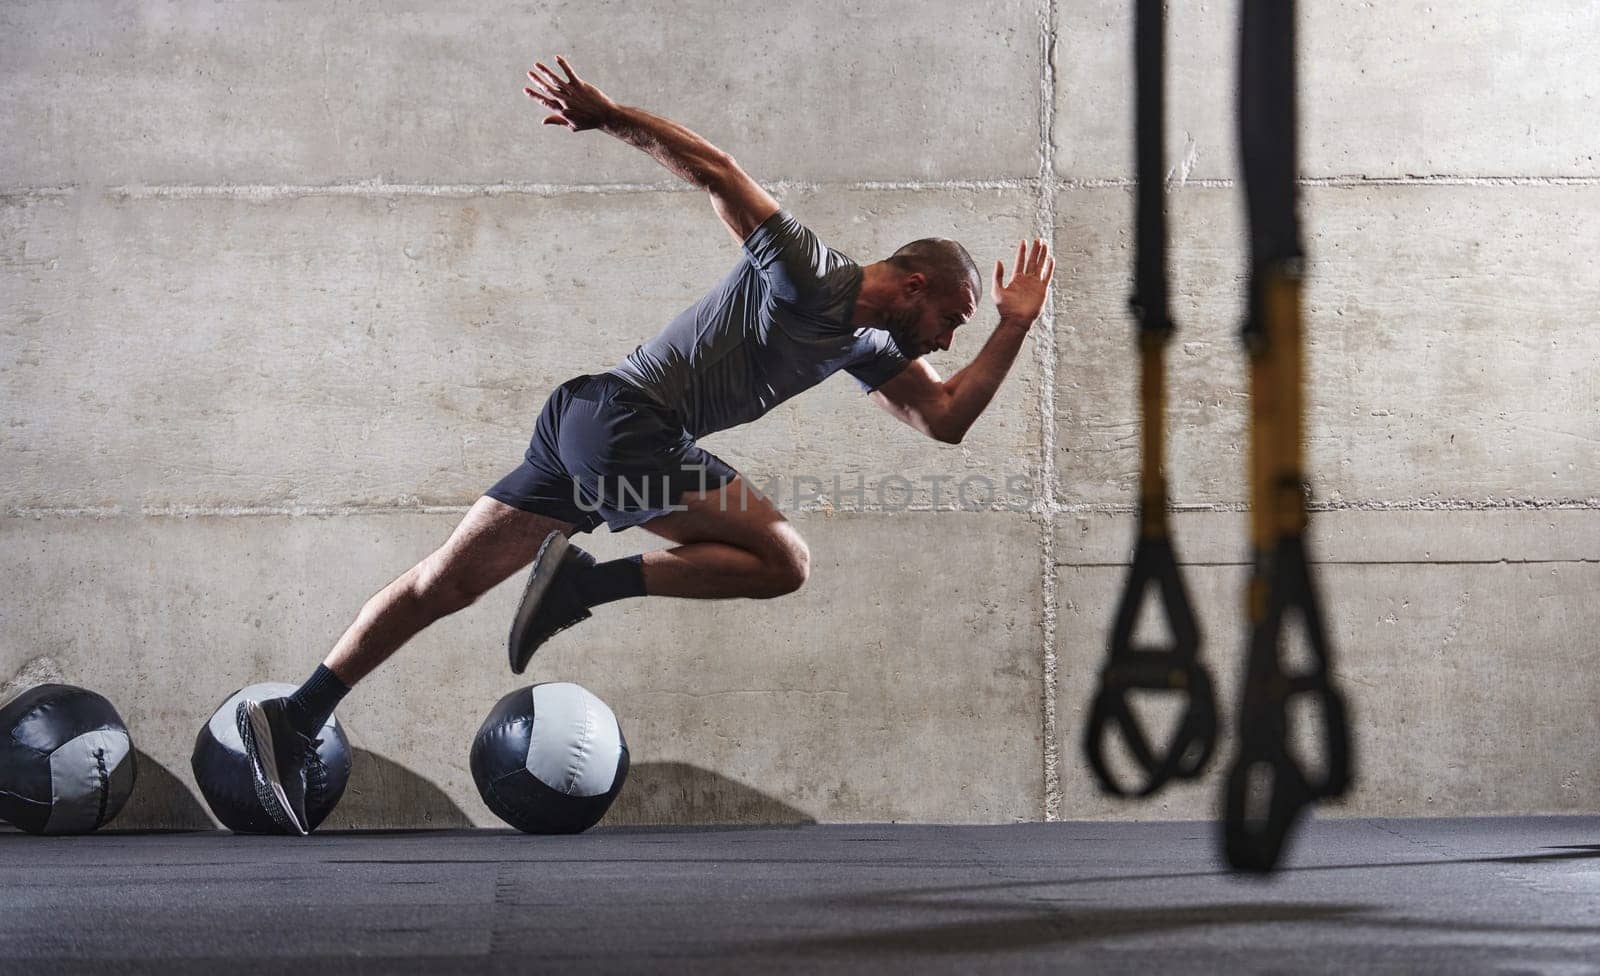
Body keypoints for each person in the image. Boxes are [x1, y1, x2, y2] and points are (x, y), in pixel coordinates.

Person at [236, 55, 1055, 835]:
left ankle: (296, 713)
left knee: (442, 583)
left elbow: (945, 417)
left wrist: (1016, 327)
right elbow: (719, 173)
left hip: (585, 421)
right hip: (629, 427)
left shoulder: (867, 344)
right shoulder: (812, 272)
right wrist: (609, 118)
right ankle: (583, 587)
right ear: (915, 285)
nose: (949, 340)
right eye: (953, 318)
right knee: (783, 560)